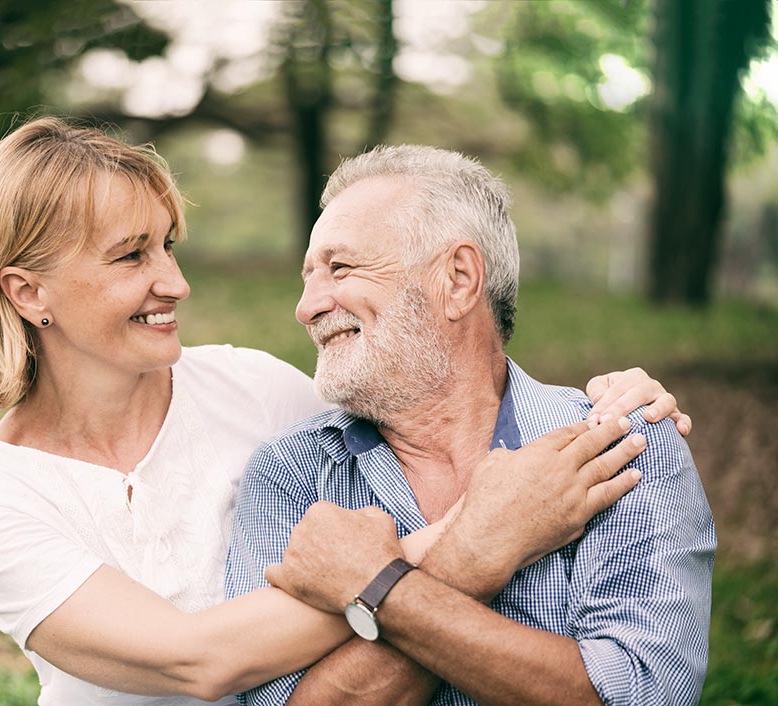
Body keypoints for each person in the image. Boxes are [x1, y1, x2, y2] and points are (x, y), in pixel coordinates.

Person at [0, 118, 692, 706]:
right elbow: (198, 660)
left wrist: (630, 401)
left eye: (168, 246)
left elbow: (423, 388)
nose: (175, 282)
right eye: (132, 256)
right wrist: (473, 544)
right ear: (29, 293)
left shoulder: (262, 397)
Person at [226, 145, 715, 706]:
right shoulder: (288, 474)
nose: (306, 306)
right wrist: (472, 557)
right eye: (308, 278)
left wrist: (379, 586)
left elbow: (641, 695)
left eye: (340, 268)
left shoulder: (623, 444)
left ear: (458, 280)